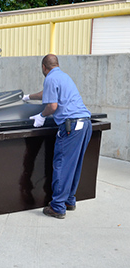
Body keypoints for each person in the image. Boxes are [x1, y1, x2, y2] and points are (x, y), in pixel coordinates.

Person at [22, 54, 92, 219]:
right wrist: (28, 97)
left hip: (71, 126)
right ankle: (69, 200)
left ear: (43, 67)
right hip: (85, 123)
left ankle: (57, 207)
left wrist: (41, 116)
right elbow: (46, 94)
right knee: (74, 164)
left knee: (62, 165)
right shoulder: (63, 76)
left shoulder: (50, 78)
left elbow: (52, 106)